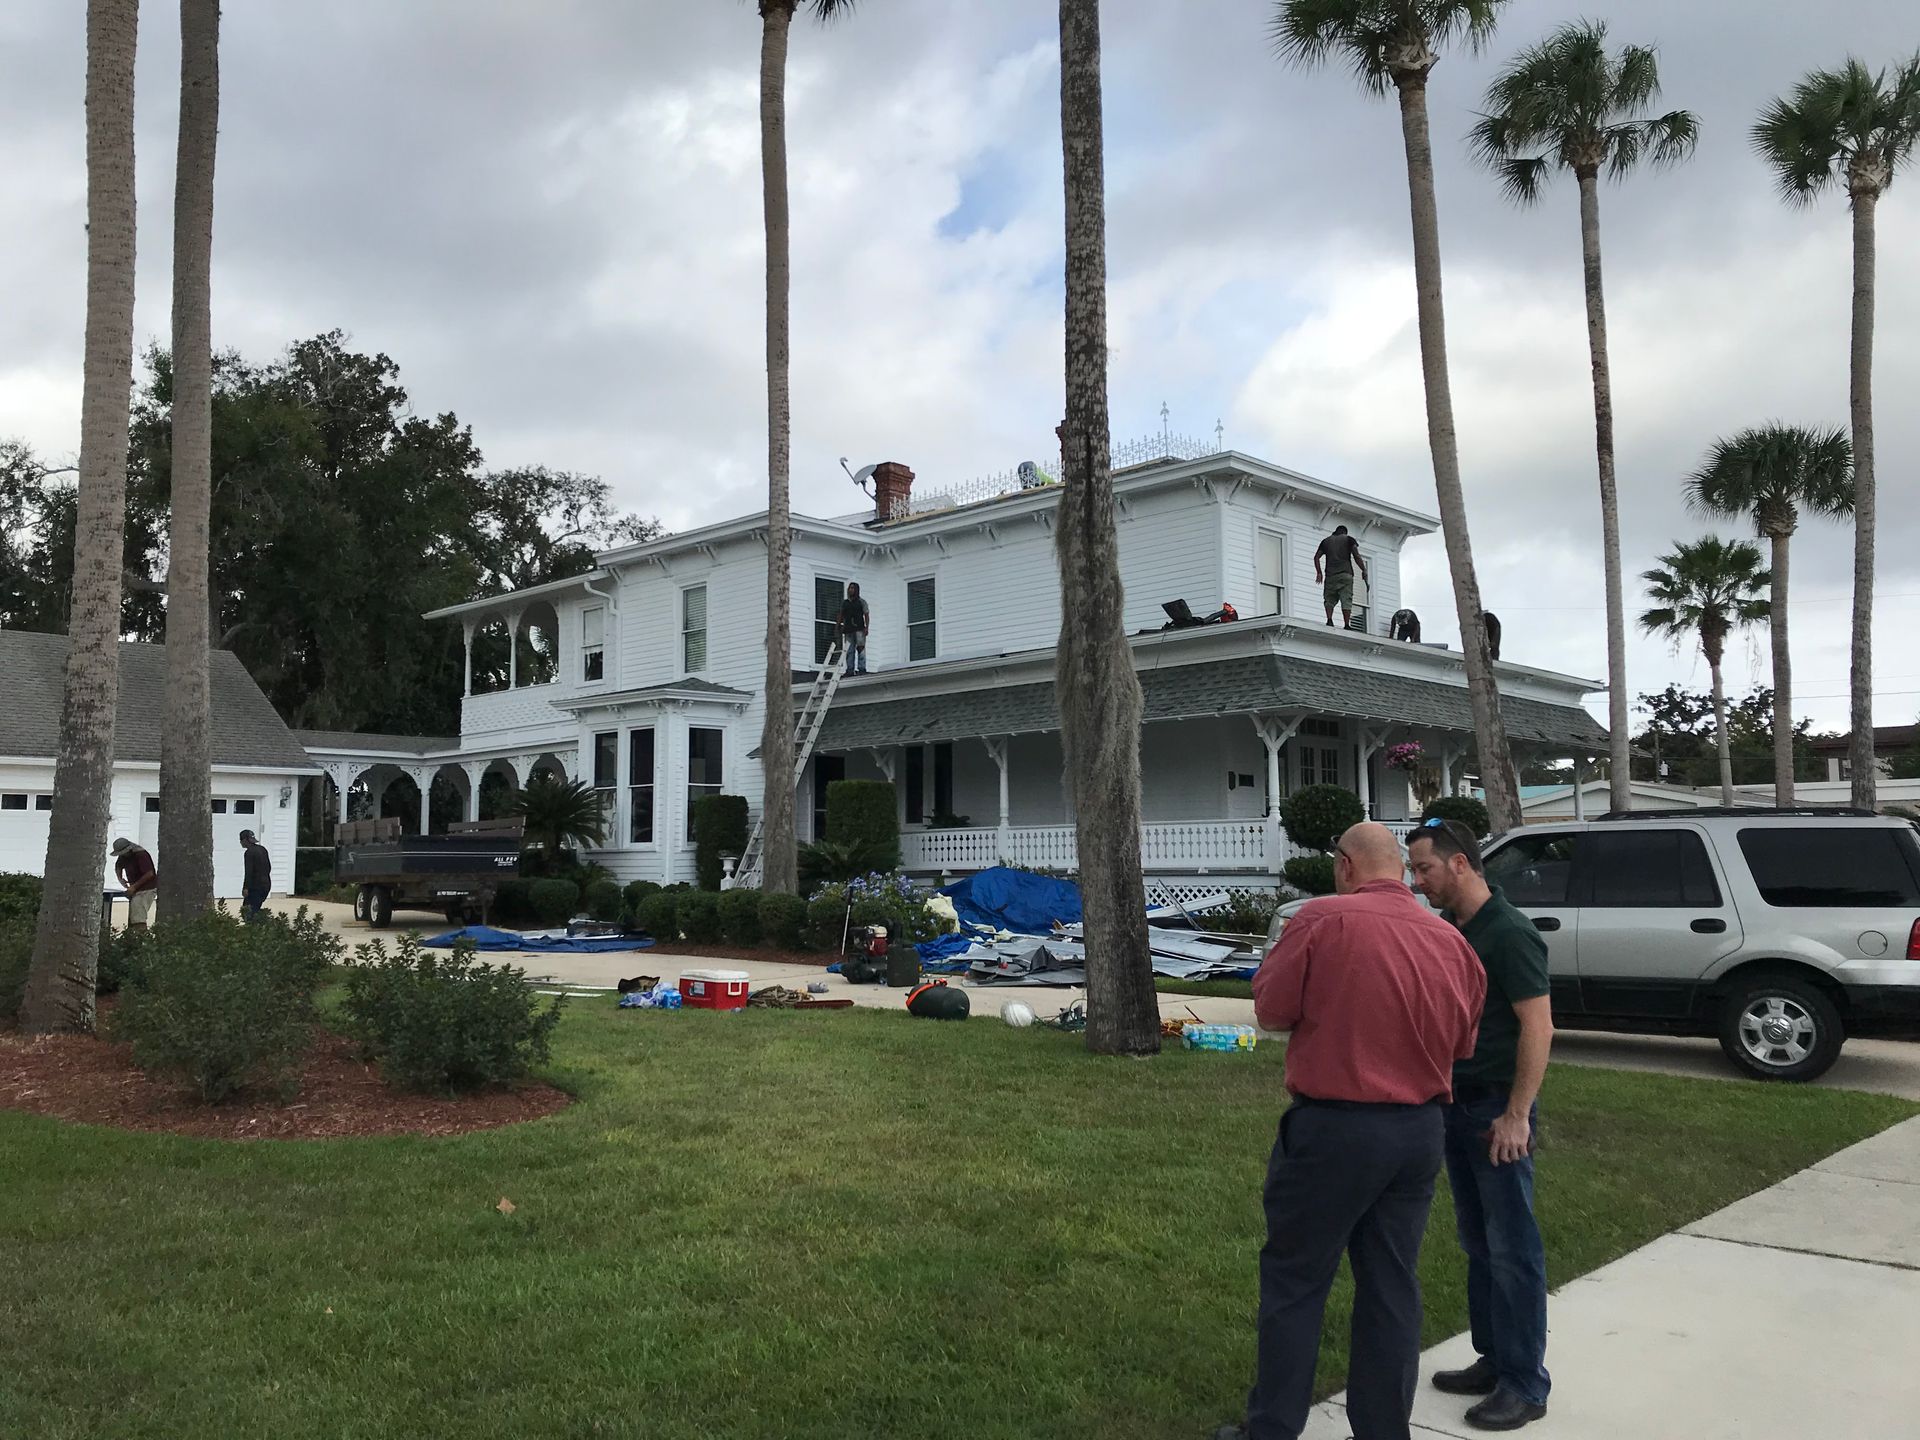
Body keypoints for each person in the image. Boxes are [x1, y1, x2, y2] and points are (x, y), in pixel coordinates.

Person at [1215, 823, 1486, 1440]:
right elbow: (1463, 1042)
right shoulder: (1451, 941)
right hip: (1419, 1131)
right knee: (1392, 1284)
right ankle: (1383, 1430)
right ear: (1401, 869)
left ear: (1344, 866)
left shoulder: (1320, 921)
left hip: (1335, 1128)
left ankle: (1274, 1427)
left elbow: (1272, 1010)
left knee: (1296, 1280)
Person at [1406, 818, 1555, 1432]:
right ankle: (1493, 1360)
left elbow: (1538, 1027)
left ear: (1461, 864)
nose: (1419, 882)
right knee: (1477, 1242)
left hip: (1497, 1109)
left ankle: (1525, 1383)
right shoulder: (1451, 931)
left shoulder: (1509, 933)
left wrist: (1517, 1115)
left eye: (1426, 869)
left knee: (1513, 1247)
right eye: (1415, 871)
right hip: (1455, 1105)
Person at [1314, 524, 1369, 628]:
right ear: (1344, 532)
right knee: (1346, 599)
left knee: (1329, 598)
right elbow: (1356, 556)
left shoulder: (1326, 541)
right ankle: (1347, 624)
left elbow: (1316, 557)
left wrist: (1319, 573)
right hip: (1345, 575)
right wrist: (1364, 569)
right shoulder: (1349, 539)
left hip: (1330, 576)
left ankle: (1329, 620)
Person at [110, 837, 158, 932]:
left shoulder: (141, 854)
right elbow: (118, 866)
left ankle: (141, 939)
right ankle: (133, 939)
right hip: (135, 889)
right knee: (133, 916)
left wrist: (134, 887)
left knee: (138, 917)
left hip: (147, 889)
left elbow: (149, 874)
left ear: (129, 849)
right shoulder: (124, 856)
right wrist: (120, 879)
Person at [837, 582, 870, 675]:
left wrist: (867, 627)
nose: (850, 590)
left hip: (859, 629)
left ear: (856, 590)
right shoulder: (845, 603)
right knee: (849, 651)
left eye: (852, 588)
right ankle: (850, 670)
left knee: (861, 649)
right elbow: (841, 614)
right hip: (848, 630)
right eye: (849, 588)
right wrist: (838, 625)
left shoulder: (861, 602)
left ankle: (862, 668)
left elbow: (866, 615)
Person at [239, 829, 272, 921]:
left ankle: (257, 931)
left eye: (241, 840)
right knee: (255, 909)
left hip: (255, 887)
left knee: (248, 913)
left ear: (245, 840)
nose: (240, 842)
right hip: (266, 884)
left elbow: (249, 872)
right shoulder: (262, 849)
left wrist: (245, 888)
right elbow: (268, 867)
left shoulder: (249, 853)